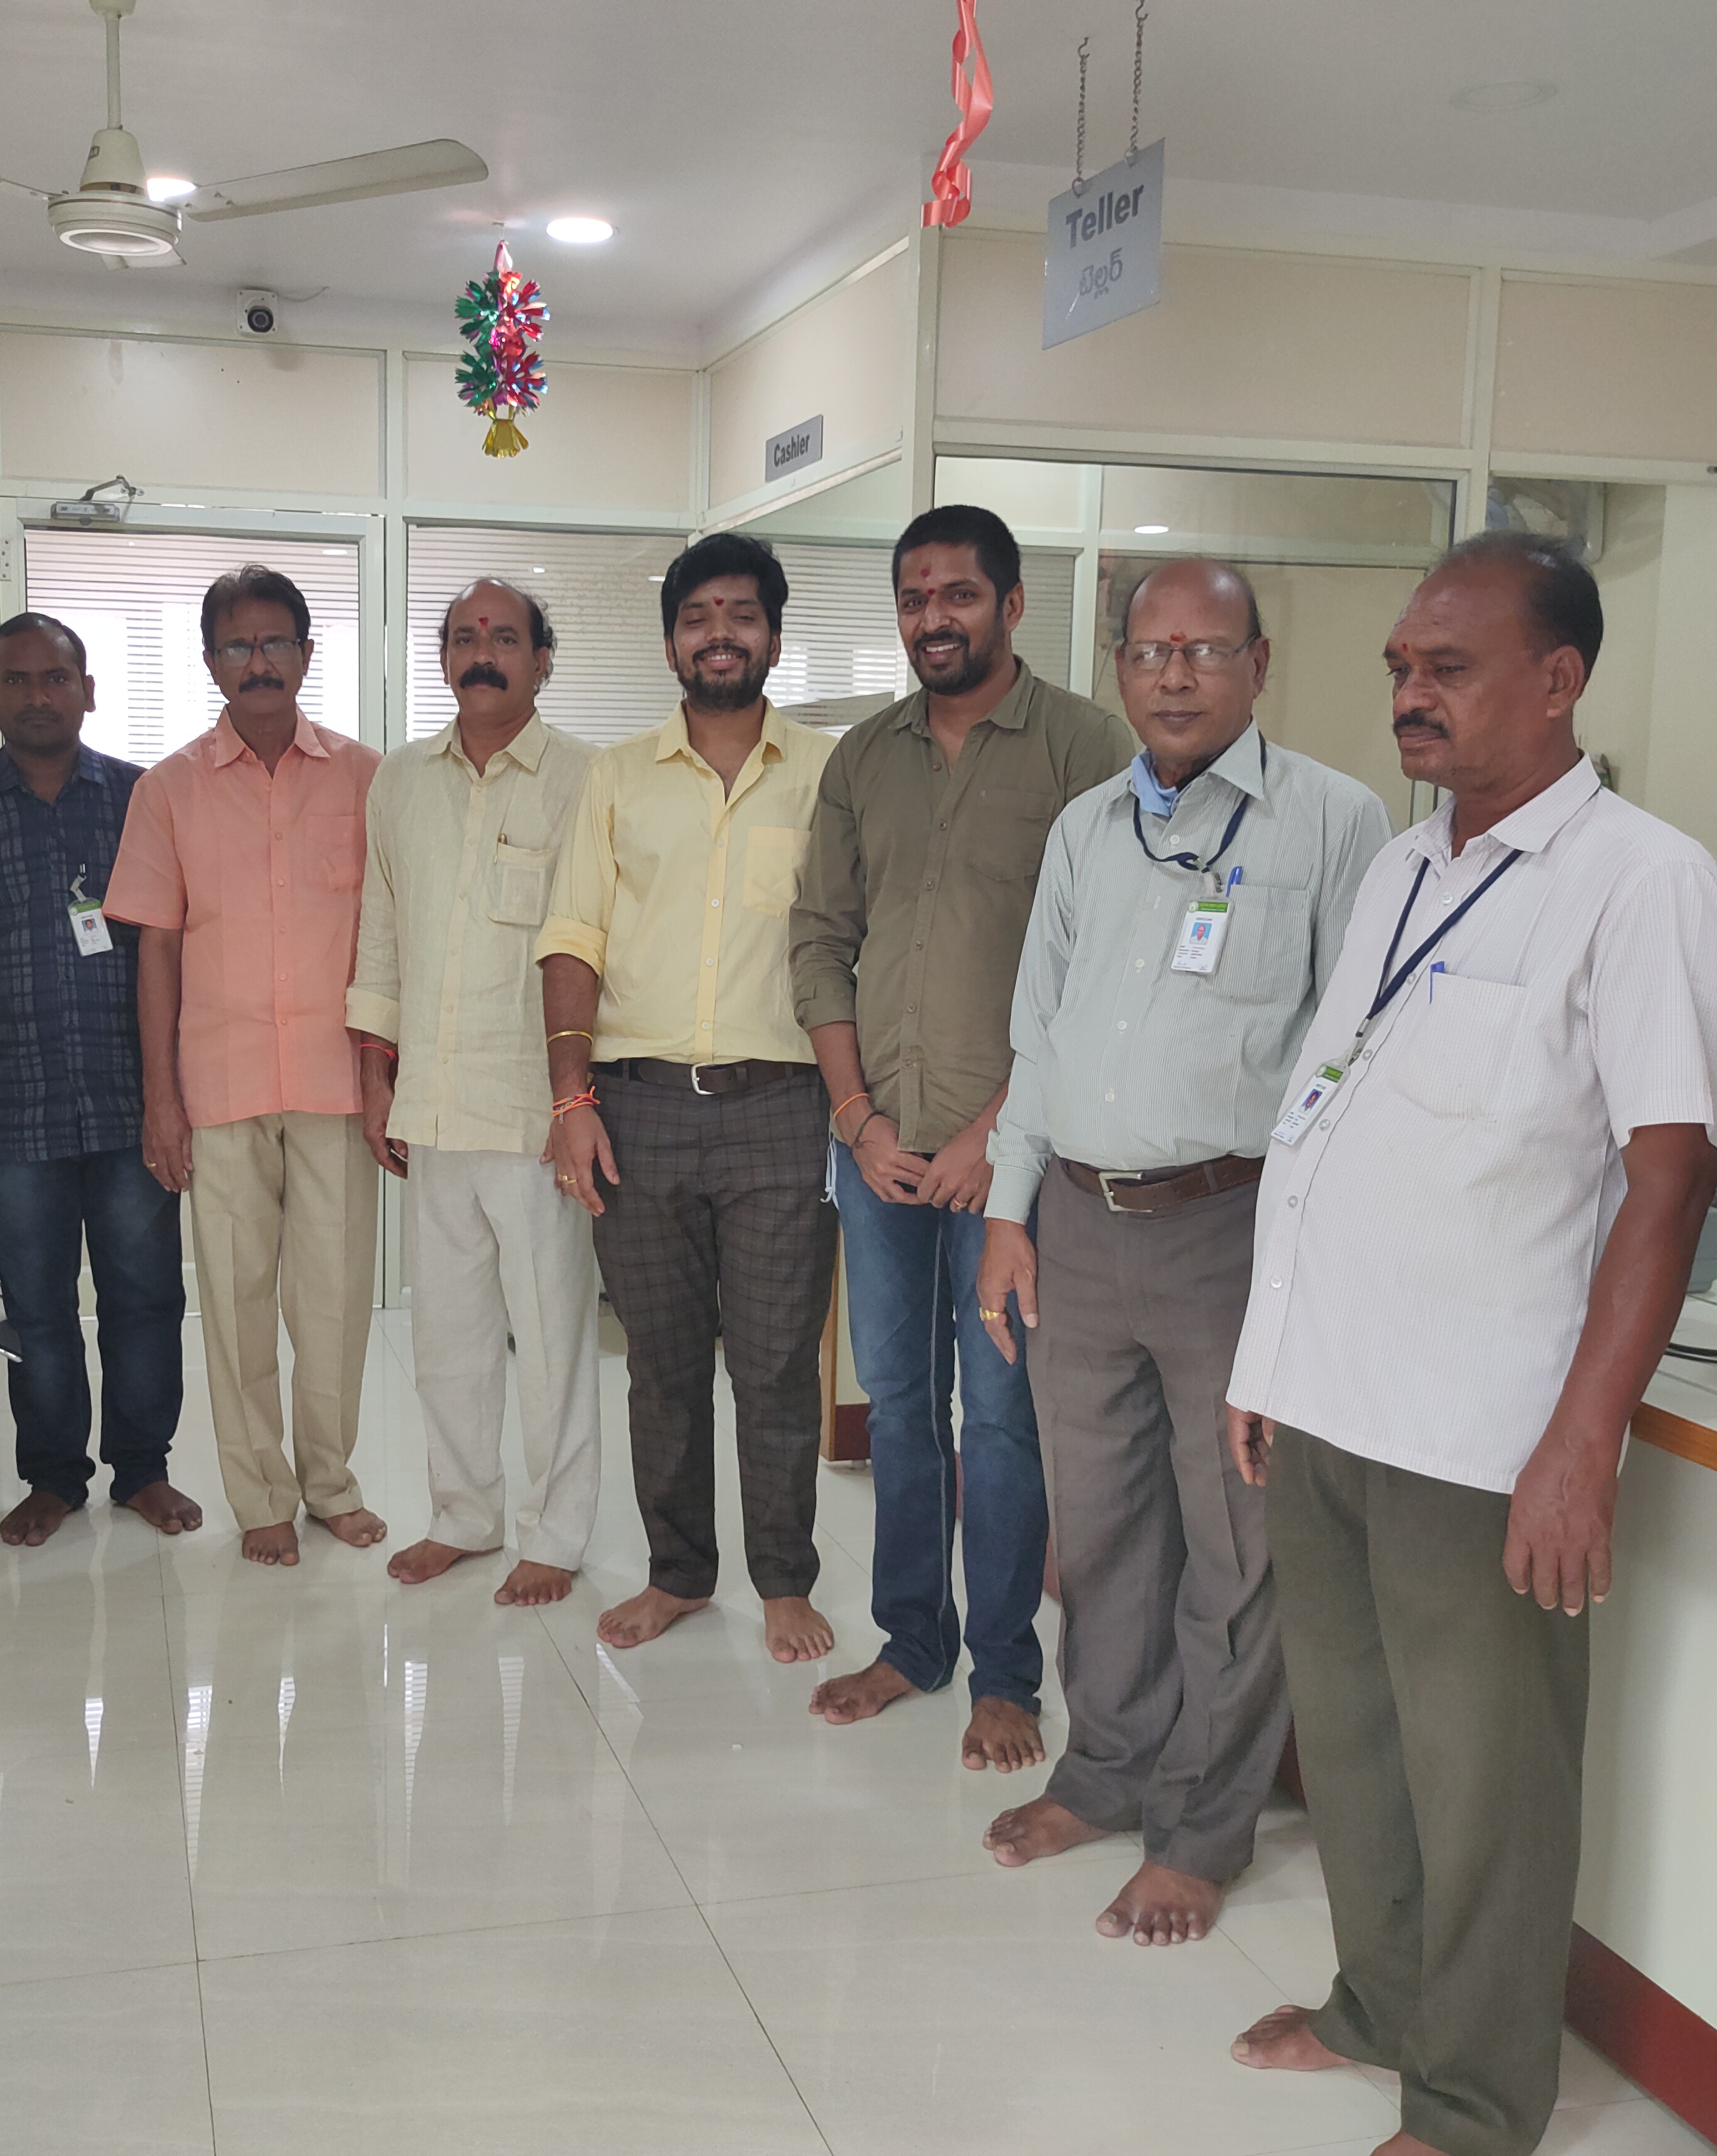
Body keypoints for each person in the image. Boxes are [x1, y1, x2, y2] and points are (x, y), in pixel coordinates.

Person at [1222, 532, 1717, 2156]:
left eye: (1447, 668)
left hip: (1483, 1426)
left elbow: (1671, 1176)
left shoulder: (1646, 882)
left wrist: (1584, 1441)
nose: (1410, 694)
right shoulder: (1404, 868)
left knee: (1486, 1784)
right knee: (1357, 1748)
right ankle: (1379, 2006)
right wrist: (1265, 1361)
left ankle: (1474, 2103)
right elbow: (1327, 1119)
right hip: (1331, 1396)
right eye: (1400, 667)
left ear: (1559, 679)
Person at [971, 558, 1389, 1943]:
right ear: (1120, 668)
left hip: (1232, 1227)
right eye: (1151, 651)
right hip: (1081, 1224)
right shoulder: (1088, 828)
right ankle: (1105, 1771)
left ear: (1260, 664)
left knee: (1237, 1543)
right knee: (1100, 1530)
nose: (1176, 675)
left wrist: (1306, 1256)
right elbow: (1038, 1032)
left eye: (1207, 650)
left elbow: (1348, 1053)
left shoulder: (1335, 820)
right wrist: (1010, 1214)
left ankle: (1204, 1826)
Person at [790, 504, 1129, 1771]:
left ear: (1012, 604)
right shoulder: (863, 759)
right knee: (898, 1408)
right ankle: (911, 1642)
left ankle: (1004, 1675)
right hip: (876, 1153)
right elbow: (819, 941)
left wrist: (1000, 1132)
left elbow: (1101, 967)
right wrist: (857, 1119)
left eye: (960, 596)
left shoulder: (1084, 749)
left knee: (998, 1415)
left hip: (1012, 1167)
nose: (935, 619)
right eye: (915, 598)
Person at [537, 532, 840, 1664]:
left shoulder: (832, 774)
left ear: (775, 637)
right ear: (671, 642)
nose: (721, 634)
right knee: (661, 1366)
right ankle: (678, 1575)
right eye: (699, 616)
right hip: (640, 1108)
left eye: (742, 615)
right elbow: (572, 939)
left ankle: (784, 1581)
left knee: (775, 1363)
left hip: (784, 1110)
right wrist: (571, 1101)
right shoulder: (615, 779)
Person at [105, 564, 386, 1568]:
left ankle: (331, 1484)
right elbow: (157, 950)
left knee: (335, 1300)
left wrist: (385, 1076)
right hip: (218, 1088)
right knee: (233, 1302)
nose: (258, 662)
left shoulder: (366, 778)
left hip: (334, 1083)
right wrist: (162, 1099)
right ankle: (261, 1495)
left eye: (275, 643)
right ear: (211, 661)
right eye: (238, 645)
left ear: (307, 654)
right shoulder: (169, 790)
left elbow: (387, 939)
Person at [0, 613, 197, 1551]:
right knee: (36, 1307)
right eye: (18, 679)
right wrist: (15, 999)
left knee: (144, 1297)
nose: (38, 695)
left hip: (134, 1098)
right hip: (18, 1103)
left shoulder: (143, 800)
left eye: (57, 678)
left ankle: (142, 1468)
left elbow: (179, 933)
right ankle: (53, 1478)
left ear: (89, 691)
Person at [349, 579, 603, 1606]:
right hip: (434, 1106)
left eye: (503, 637)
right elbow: (380, 930)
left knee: (552, 1340)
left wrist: (578, 1100)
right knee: (447, 1339)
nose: (481, 652)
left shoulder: (588, 780)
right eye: (463, 637)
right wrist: (376, 1079)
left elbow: (601, 947)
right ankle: (463, 1516)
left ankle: (558, 1535)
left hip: (538, 1112)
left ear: (543, 661)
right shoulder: (401, 781)